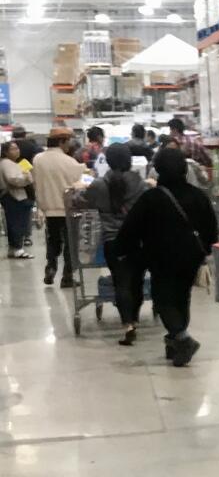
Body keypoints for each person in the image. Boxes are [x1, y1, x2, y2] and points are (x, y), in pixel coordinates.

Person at [113, 147, 216, 367]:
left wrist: (121, 249)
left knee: (163, 300)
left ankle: (182, 338)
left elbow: (131, 228)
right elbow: (211, 230)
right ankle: (174, 344)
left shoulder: (152, 198)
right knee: (182, 297)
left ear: (157, 169)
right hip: (191, 258)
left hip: (161, 258)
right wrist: (204, 251)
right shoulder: (199, 196)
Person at [76, 143, 147, 345]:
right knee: (137, 282)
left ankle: (128, 325)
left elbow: (81, 200)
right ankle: (135, 317)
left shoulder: (99, 185)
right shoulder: (139, 184)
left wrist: (78, 191)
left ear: (107, 161)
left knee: (121, 283)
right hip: (138, 240)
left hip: (113, 242)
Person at [31, 132, 84, 288]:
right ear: (62, 142)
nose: (69, 145)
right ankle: (67, 277)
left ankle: (51, 267)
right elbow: (79, 182)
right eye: (68, 141)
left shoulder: (38, 159)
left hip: (48, 208)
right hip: (67, 209)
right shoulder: (69, 161)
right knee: (70, 243)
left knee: (53, 240)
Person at [1, 141, 34, 259]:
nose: (17, 151)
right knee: (17, 223)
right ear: (5, 152)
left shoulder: (14, 163)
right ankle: (17, 248)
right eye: (13, 149)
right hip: (13, 196)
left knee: (16, 222)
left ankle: (14, 248)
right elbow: (13, 179)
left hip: (16, 196)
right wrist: (26, 177)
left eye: (17, 148)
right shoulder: (7, 164)